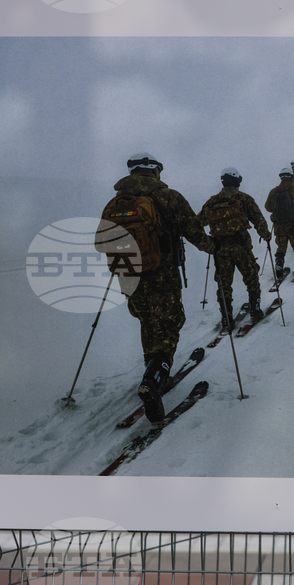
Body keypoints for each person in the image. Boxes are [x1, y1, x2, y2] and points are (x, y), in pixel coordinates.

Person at [110, 154, 216, 423]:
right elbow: (193, 229)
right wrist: (212, 248)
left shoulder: (116, 201)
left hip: (128, 275)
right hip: (162, 274)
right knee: (169, 324)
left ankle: (152, 370)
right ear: (154, 171)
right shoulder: (168, 196)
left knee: (147, 321)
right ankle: (153, 381)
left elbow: (102, 241)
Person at [197, 167, 271, 330]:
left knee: (224, 284)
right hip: (240, 246)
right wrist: (266, 235)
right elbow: (258, 219)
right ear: (238, 181)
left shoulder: (212, 202)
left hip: (220, 249)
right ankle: (255, 311)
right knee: (251, 277)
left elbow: (196, 224)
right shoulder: (244, 199)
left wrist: (207, 243)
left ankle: (226, 318)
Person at [265, 168, 294, 276]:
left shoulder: (274, 191)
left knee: (281, 246)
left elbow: (268, 207)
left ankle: (279, 264)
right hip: (293, 225)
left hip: (279, 225)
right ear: (291, 177)